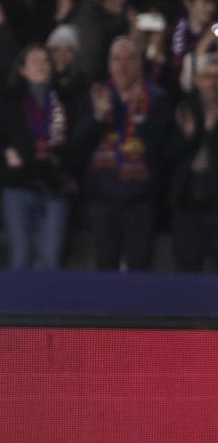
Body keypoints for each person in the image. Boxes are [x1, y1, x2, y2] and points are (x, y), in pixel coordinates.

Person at [72, 36, 172, 270]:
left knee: (139, 265)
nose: (123, 66)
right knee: (105, 265)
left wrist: (140, 119)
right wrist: (98, 118)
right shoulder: (95, 95)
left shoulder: (157, 99)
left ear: (140, 64)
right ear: (109, 64)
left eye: (130, 59)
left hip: (141, 199)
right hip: (102, 198)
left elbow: (165, 150)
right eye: (117, 59)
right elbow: (77, 146)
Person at [0, 44, 74, 270]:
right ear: (22, 69)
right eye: (35, 61)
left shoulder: (64, 99)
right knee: (21, 255)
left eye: (45, 61)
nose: (42, 65)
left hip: (54, 185)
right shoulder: (9, 101)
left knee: (50, 259)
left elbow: (73, 142)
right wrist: (6, 151)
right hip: (19, 184)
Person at [169, 55, 218, 271]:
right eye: (208, 77)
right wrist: (190, 137)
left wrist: (208, 132)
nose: (214, 83)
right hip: (187, 196)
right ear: (197, 81)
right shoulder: (185, 109)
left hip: (215, 199)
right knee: (186, 265)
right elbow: (168, 155)